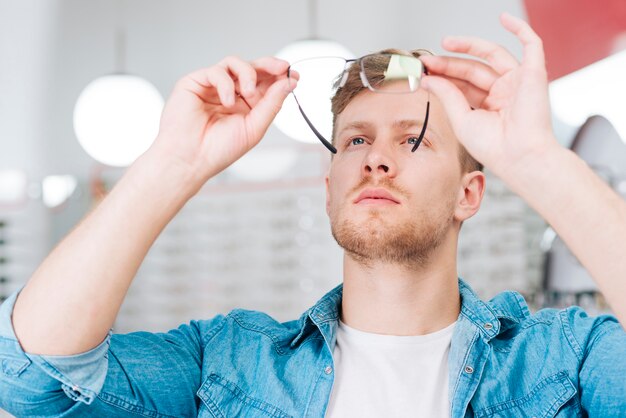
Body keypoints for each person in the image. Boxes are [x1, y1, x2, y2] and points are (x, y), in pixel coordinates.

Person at [1, 12, 625, 418]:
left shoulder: (563, 358)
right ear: (329, 188)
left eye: (412, 139)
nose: (377, 160)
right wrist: (173, 162)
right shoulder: (226, 363)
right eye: (356, 140)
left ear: (470, 192)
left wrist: (538, 159)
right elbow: (32, 380)